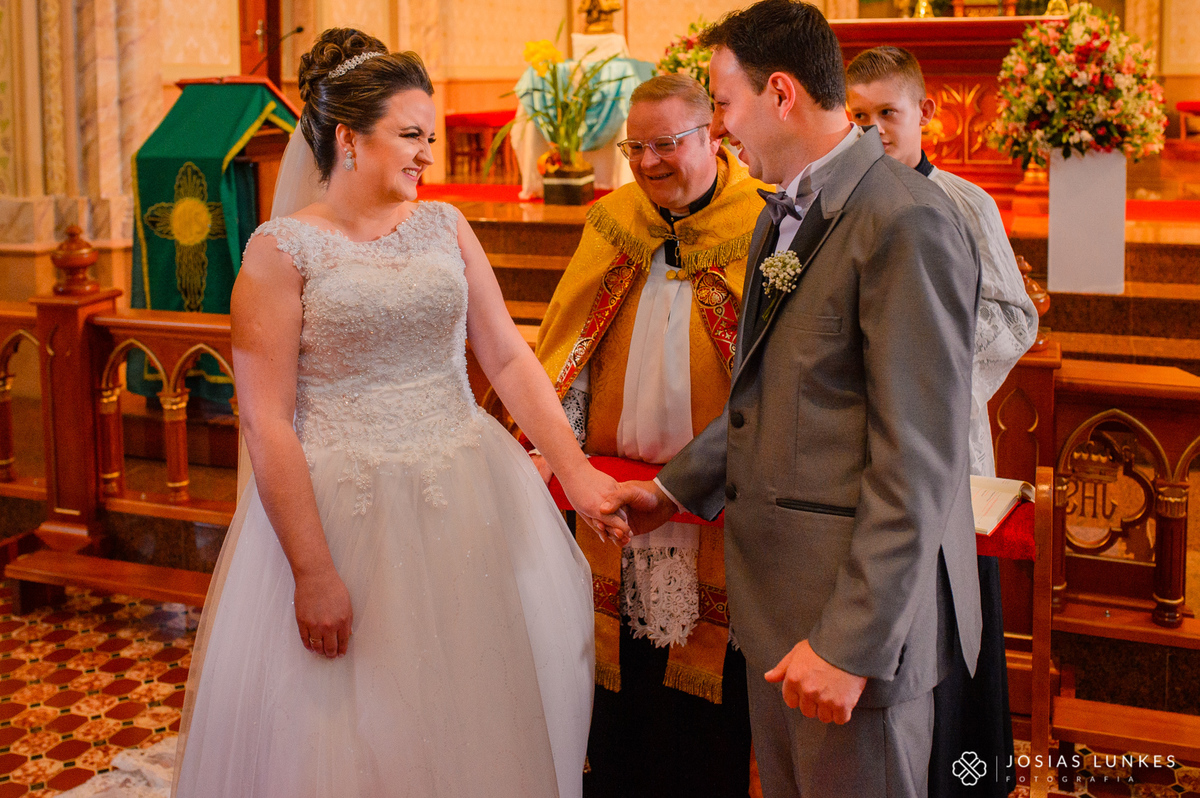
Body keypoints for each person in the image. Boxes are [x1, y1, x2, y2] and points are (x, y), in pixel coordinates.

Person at [172, 28, 636, 798]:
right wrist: (313, 572)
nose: (429, 154)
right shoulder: (279, 253)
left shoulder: (446, 226)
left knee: (470, 705)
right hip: (341, 513)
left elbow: (510, 359)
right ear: (349, 139)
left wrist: (579, 474)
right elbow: (268, 422)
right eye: (412, 136)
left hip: (463, 492)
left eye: (432, 136)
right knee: (352, 725)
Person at [606, 2, 983, 796]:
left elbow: (919, 459)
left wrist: (850, 642)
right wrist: (671, 488)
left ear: (780, 93)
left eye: (724, 102)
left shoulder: (903, 220)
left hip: (848, 627)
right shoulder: (778, 217)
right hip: (778, 610)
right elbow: (770, 391)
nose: (721, 124)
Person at [534, 73, 766, 797]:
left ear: (713, 135)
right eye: (636, 147)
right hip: (611, 502)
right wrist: (561, 458)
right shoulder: (614, 221)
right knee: (615, 697)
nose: (649, 162)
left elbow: (774, 385)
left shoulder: (764, 225)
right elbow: (570, 349)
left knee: (707, 715)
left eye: (666, 144)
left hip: (715, 503)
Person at [846, 45, 1038, 798]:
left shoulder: (965, 204)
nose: (873, 130)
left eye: (887, 114)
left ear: (924, 113)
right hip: (862, 452)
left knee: (955, 619)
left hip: (947, 443)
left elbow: (1012, 316)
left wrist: (929, 381)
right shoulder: (843, 201)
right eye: (857, 116)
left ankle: (966, 774)